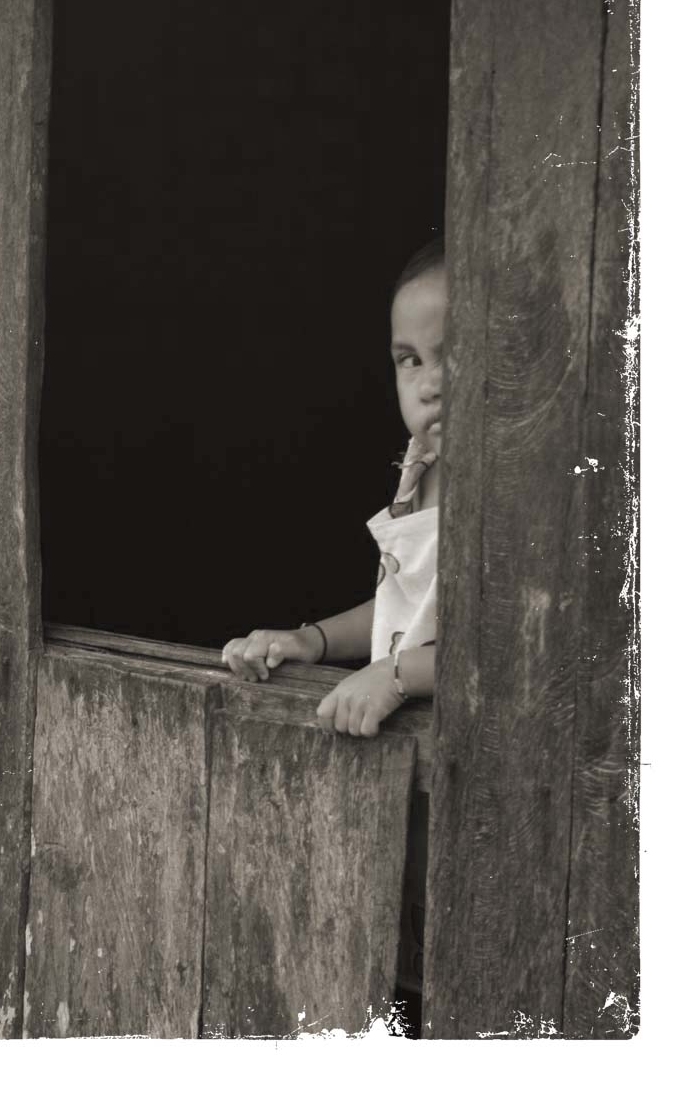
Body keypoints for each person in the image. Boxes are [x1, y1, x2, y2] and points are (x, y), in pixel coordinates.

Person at [221, 234, 446, 1036]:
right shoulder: (422, 472)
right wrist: (312, 641)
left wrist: (396, 679)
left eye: (452, 352)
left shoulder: (515, 484)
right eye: (409, 360)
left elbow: (509, 651)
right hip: (395, 787)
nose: (429, 381)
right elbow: (400, 608)